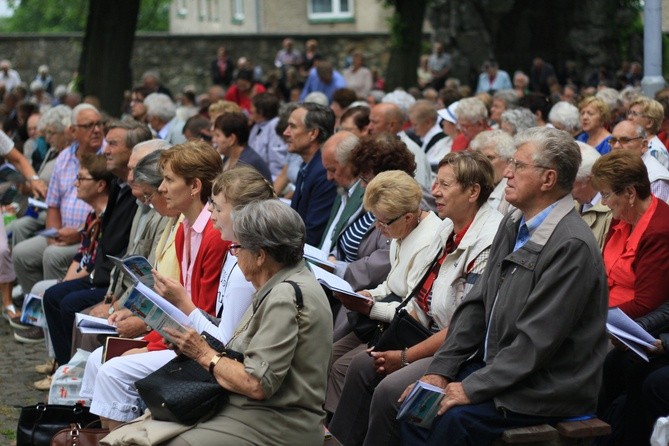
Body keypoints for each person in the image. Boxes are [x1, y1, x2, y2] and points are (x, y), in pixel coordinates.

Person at [400, 127, 608, 446]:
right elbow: (476, 306)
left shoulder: (571, 245)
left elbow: (535, 342)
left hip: (544, 387)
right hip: (499, 370)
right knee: (415, 408)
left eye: (519, 165)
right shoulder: (514, 222)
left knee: (446, 421)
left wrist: (471, 387)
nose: (507, 172)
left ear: (548, 179)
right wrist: (441, 369)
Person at [104, 200, 333, 445]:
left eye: (237, 247)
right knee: (133, 432)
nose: (234, 255)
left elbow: (256, 383)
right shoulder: (284, 282)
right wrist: (193, 344)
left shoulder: (284, 295)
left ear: (259, 256)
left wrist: (202, 352)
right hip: (253, 411)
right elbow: (243, 349)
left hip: (274, 422)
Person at [329, 152, 503, 445]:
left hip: (456, 347)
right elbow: (416, 294)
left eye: (445, 185)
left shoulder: (487, 241)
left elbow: (463, 328)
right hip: (423, 327)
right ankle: (339, 439)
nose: (434, 191)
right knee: (361, 363)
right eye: (435, 181)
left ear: (473, 192)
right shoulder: (449, 226)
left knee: (388, 390)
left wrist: (406, 355)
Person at [80, 141, 228, 429]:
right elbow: (180, 309)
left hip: (201, 347)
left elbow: (203, 314)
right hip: (179, 338)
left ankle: (123, 435)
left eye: (169, 180)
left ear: (195, 186)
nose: (161, 188)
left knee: (112, 372)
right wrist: (153, 342)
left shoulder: (212, 235)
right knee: (99, 360)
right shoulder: (186, 228)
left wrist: (152, 346)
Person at [590, 150, 669, 319]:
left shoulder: (659, 231)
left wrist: (591, 319)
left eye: (605, 194)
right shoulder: (622, 215)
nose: (603, 202)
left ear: (630, 193)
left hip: (625, 327)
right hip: (602, 309)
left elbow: (646, 305)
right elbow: (603, 273)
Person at [284, 102, 338, 246]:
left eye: (293, 126)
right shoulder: (307, 164)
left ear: (313, 133)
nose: (286, 132)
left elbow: (311, 235)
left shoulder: (324, 173)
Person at [368, 102, 432, 190]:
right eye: (369, 121)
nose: (369, 127)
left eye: (374, 122)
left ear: (392, 125)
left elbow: (417, 191)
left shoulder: (409, 150)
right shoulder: (385, 146)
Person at [608, 120, 669, 201]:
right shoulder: (613, 167)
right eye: (613, 141)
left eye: (625, 140)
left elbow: (656, 212)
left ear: (643, 145)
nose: (616, 146)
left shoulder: (655, 180)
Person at [572, 142, 611, 249]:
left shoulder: (612, 211)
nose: (567, 191)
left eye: (571, 184)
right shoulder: (572, 202)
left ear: (590, 179)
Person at [212, 112, 272, 181]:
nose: (214, 140)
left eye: (217, 135)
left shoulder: (248, 164)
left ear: (232, 139)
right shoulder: (228, 157)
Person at [470, 129, 516, 211]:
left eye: (490, 158)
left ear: (508, 161)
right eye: (480, 158)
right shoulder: (476, 187)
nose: (483, 164)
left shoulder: (512, 192)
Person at [249, 92, 288, 181]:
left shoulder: (275, 126)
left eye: (252, 107)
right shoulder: (257, 125)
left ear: (261, 111)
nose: (250, 109)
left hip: (271, 179)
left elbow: (277, 162)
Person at [627, 96, 669, 169]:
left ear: (649, 123)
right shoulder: (639, 142)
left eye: (634, 114)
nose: (629, 117)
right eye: (629, 113)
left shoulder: (655, 151)